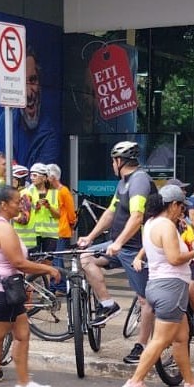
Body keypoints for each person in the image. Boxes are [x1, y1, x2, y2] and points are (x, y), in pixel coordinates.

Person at [121, 184, 194, 387]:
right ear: (173, 205)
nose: (183, 212)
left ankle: (190, 383)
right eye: (182, 207)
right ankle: (135, 381)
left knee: (182, 337)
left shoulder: (152, 223)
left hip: (159, 286)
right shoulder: (166, 226)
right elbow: (174, 258)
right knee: (161, 340)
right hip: (169, 288)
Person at [0, 184, 59, 387]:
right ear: (3, 204)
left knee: (22, 334)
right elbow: (19, 263)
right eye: (17, 201)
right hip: (2, 290)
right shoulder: (3, 229)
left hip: (1, 288)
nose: (21, 205)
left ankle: (24, 383)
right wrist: (48, 268)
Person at [78, 140, 154, 365]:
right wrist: (90, 237)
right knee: (86, 257)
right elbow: (111, 213)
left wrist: (119, 242)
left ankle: (142, 346)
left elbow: (137, 216)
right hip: (118, 245)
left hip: (136, 249)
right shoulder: (123, 183)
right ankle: (108, 304)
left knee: (145, 301)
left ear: (120, 161)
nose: (112, 164)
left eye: (113, 160)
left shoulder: (139, 180)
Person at [0, 46, 60, 167]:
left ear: (40, 83)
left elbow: (29, 184)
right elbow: (6, 181)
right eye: (21, 83)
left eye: (32, 80)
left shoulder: (49, 132)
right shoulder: (6, 121)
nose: (28, 93)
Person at [46, 163, 76, 290]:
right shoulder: (53, 192)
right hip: (53, 229)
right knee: (55, 259)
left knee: (58, 259)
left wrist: (72, 226)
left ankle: (61, 285)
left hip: (61, 230)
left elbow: (71, 212)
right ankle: (56, 285)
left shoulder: (64, 191)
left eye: (47, 176)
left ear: (53, 177)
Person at [25, 163, 60, 255]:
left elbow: (59, 215)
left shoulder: (55, 193)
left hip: (50, 233)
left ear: (44, 178)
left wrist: (49, 207)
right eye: (31, 175)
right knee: (34, 261)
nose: (32, 178)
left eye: (35, 175)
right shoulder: (28, 192)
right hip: (34, 232)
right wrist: (35, 207)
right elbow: (24, 213)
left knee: (47, 261)